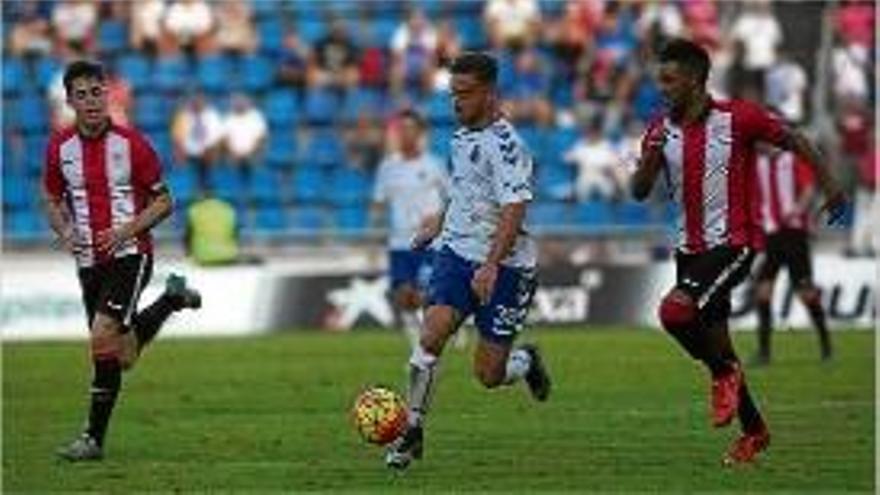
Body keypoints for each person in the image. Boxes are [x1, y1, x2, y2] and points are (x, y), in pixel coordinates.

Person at [629, 39, 846, 466]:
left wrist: (830, 185)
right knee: (718, 344)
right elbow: (639, 192)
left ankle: (723, 375)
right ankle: (754, 432)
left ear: (695, 80)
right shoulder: (659, 130)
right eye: (661, 81)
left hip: (736, 243)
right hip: (689, 249)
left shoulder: (739, 118)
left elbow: (795, 139)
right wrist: (648, 161)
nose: (663, 89)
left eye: (670, 81)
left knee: (675, 313)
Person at [384, 52, 551, 470]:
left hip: (506, 267)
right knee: (430, 337)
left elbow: (514, 209)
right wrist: (438, 223)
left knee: (489, 374)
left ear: (490, 93)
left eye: (465, 94)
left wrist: (492, 265)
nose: (455, 103)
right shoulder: (460, 138)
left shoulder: (509, 147)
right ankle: (412, 431)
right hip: (457, 253)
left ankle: (526, 361)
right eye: (452, 93)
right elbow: (464, 191)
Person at [41, 60, 202, 462]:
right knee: (122, 354)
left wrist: (126, 231)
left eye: (97, 91)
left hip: (130, 255)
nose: (91, 101)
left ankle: (92, 439)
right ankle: (171, 300)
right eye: (82, 94)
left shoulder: (132, 145)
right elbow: (50, 197)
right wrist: (63, 230)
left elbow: (164, 201)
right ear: (70, 100)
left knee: (100, 336)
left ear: (107, 94)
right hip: (88, 263)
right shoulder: (60, 148)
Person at [370, 109, 448, 355]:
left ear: (420, 133)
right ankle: (418, 348)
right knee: (404, 297)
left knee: (424, 297)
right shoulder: (387, 167)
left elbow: (453, 199)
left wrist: (438, 217)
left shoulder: (434, 165)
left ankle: (444, 328)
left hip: (429, 242)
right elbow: (379, 201)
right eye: (401, 129)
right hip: (399, 242)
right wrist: (377, 215)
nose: (405, 134)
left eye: (410, 129)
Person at [753, 143, 832, 364]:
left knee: (805, 292)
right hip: (771, 235)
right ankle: (764, 352)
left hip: (794, 234)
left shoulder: (792, 159)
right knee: (762, 291)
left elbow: (808, 189)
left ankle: (826, 346)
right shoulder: (757, 164)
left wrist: (796, 211)